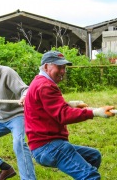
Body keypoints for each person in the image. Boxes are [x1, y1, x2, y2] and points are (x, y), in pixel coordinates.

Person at [24, 51, 115, 180]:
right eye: (59, 67)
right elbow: (63, 115)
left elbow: (47, 108)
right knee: (91, 176)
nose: (63, 71)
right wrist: (95, 112)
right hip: (48, 146)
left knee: (94, 156)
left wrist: (68, 104)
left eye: (64, 67)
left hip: (44, 146)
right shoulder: (45, 86)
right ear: (46, 67)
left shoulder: (39, 82)